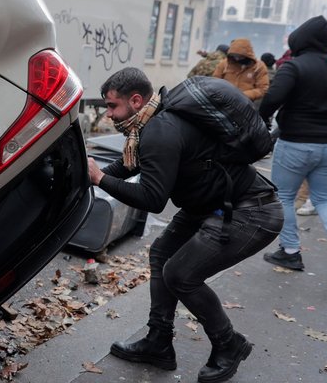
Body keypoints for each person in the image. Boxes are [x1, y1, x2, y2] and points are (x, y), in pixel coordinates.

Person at [88, 67, 282, 383]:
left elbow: (152, 198)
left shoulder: (160, 130)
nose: (109, 114)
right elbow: (133, 164)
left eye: (112, 106)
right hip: (211, 205)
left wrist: (100, 179)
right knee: (162, 254)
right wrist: (90, 176)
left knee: (181, 275)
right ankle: (159, 341)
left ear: (135, 101)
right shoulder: (155, 122)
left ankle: (229, 344)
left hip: (250, 212)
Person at [259, 15, 327, 276]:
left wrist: (261, 121)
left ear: (300, 40)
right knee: (326, 199)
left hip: (296, 143)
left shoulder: (294, 67)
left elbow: (271, 100)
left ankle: (290, 251)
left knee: (283, 196)